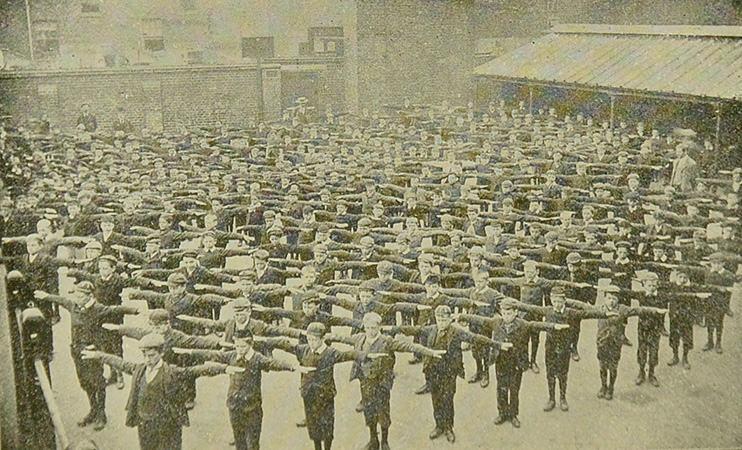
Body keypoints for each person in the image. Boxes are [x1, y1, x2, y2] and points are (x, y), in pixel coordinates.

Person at [81, 333, 241, 450]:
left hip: (166, 426)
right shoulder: (140, 369)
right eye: (144, 355)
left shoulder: (172, 372)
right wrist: (98, 355)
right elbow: (120, 363)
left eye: (151, 355)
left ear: (161, 353)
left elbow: (197, 370)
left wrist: (224, 368)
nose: (147, 359)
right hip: (144, 424)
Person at [174, 332, 312, 450]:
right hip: (234, 406)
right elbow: (212, 354)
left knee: (252, 444)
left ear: (250, 344)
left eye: (243, 346)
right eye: (237, 345)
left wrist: (293, 367)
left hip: (252, 408)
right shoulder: (232, 356)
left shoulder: (257, 358)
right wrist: (190, 351)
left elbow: (274, 364)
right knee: (239, 443)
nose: (239, 349)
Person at [391, 305, 509, 442]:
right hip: (433, 372)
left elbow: (475, 338)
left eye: (444, 320)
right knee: (436, 400)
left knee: (447, 400)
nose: (441, 322)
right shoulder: (430, 330)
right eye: (439, 319)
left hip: (449, 373)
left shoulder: (456, 332)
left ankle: (448, 428)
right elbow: (414, 330)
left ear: (449, 319)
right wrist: (394, 328)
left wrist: (497, 344)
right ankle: (439, 426)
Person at [33, 281, 139, 430]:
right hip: (76, 350)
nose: (76, 298)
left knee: (97, 382)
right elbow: (62, 300)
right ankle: (93, 410)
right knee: (84, 383)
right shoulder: (74, 306)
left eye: (80, 296)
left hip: (92, 352)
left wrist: (135, 310)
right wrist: (46, 296)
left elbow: (116, 309)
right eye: (76, 295)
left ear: (89, 296)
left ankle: (101, 414)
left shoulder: (98, 309)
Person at [338, 312, 444, 450]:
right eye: (368, 328)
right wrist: (322, 336)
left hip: (382, 383)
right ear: (364, 327)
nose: (370, 331)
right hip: (366, 383)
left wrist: (430, 352)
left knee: (383, 413)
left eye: (373, 328)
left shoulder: (386, 341)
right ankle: (373, 441)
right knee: (369, 412)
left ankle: (384, 442)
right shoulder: (360, 339)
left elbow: (409, 347)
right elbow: (341, 338)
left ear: (379, 327)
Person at [272, 322, 367, 450]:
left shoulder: (330, 353)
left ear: (323, 339)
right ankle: (317, 447)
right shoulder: (303, 350)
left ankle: (327, 447)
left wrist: (365, 355)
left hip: (325, 395)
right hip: (308, 394)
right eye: (309, 339)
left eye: (315, 340)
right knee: (313, 425)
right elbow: (287, 346)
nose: (312, 343)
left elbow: (348, 355)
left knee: (327, 424)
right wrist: (268, 341)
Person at [591, 283, 668, 400]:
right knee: (602, 366)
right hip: (602, 343)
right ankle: (603, 386)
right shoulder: (599, 309)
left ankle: (611, 388)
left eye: (614, 298)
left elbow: (638, 310)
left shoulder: (622, 309)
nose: (611, 301)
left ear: (618, 300)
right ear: (604, 298)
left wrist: (655, 310)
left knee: (613, 367)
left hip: (615, 344)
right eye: (609, 298)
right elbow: (583, 310)